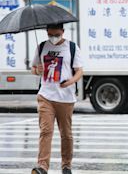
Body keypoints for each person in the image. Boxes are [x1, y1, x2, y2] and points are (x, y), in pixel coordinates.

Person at [31, 24, 83, 174]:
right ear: (47, 32)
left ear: (62, 32)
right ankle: (42, 166)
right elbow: (33, 68)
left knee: (66, 133)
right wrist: (37, 70)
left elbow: (79, 70)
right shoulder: (41, 47)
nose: (53, 37)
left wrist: (70, 81)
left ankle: (66, 166)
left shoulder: (72, 47)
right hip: (46, 95)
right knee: (46, 131)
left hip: (66, 98)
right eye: (50, 34)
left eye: (56, 34)